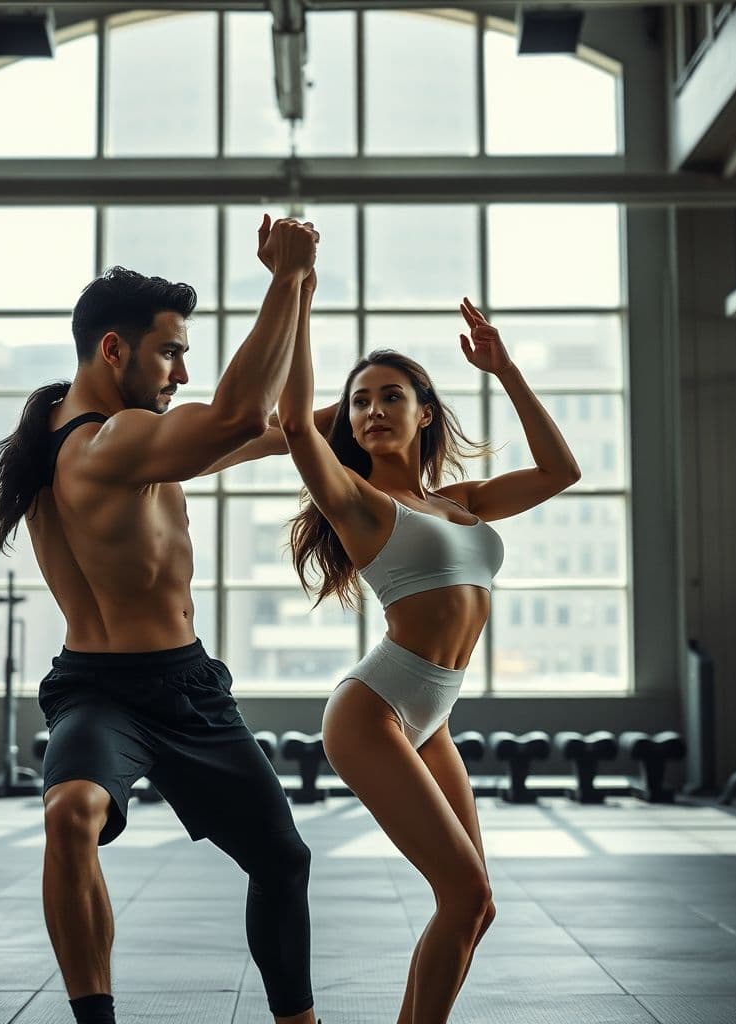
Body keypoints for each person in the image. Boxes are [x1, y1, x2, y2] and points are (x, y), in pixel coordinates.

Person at [0, 216, 324, 1024]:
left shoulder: (93, 442)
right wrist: (284, 281)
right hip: (98, 690)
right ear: (113, 350)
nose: (181, 369)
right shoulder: (103, 445)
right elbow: (240, 417)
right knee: (70, 812)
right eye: (170, 350)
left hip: (187, 685)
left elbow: (272, 431)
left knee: (283, 860)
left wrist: (359, 400)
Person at [278, 293, 581, 1023]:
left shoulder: (459, 501)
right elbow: (293, 425)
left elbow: (559, 470)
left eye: (391, 396)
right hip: (374, 710)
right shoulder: (358, 501)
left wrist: (505, 369)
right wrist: (298, 295)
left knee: (478, 908)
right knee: (464, 894)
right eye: (358, 401)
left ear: (425, 413)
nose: (373, 409)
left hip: (432, 716)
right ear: (346, 422)